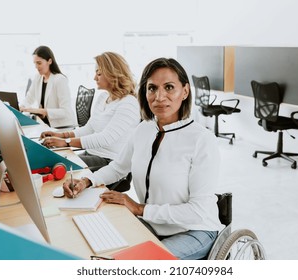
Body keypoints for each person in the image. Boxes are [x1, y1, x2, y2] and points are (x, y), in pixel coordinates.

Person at [63, 58, 222, 260]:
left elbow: (197, 212)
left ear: (185, 91)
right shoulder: (144, 129)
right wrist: (86, 181)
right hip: (152, 223)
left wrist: (139, 208)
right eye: (152, 88)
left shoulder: (202, 139)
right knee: (98, 249)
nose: (159, 96)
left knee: (134, 264)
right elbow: (118, 167)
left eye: (169, 87)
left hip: (193, 231)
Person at [41, 52, 140, 170]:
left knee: (56, 166)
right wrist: (61, 135)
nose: (94, 77)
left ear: (112, 74)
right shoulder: (103, 97)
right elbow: (89, 129)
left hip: (110, 161)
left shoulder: (129, 104)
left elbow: (105, 138)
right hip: (91, 153)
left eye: (99, 73)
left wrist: (66, 142)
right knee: (52, 161)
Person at [20, 45, 76, 128]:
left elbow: (65, 111)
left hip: (62, 126)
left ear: (49, 61)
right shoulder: (38, 77)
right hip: (46, 124)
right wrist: (22, 107)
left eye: (39, 63)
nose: (36, 67)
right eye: (35, 63)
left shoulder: (60, 80)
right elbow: (29, 98)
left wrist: (43, 111)